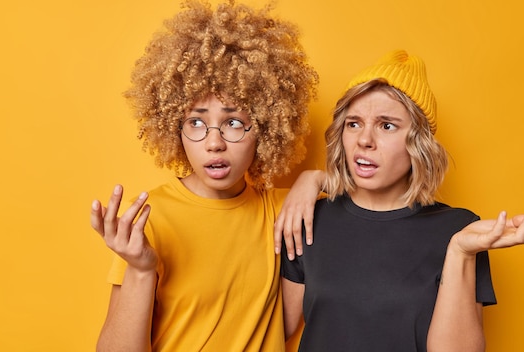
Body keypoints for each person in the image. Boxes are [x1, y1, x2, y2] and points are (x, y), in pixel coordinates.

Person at [89, 1, 319, 350]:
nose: (214, 143)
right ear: (173, 127)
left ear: (267, 127)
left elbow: (370, 190)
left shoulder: (285, 212)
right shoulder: (151, 218)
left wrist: (313, 179)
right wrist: (139, 269)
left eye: (234, 123)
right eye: (196, 122)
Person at [278, 50, 524, 352]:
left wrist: (460, 253)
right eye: (353, 123)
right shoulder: (309, 219)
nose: (364, 140)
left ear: (418, 143)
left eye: (386, 125)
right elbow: (268, 332)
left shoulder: (460, 230)